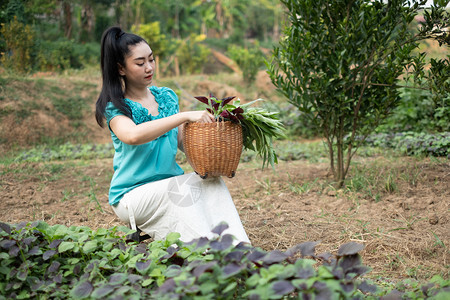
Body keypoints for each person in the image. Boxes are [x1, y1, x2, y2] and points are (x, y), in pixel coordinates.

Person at [95, 26, 250, 245]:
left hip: (170, 185)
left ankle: (238, 248)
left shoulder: (166, 96)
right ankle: (205, 255)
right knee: (182, 191)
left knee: (211, 183)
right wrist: (184, 116)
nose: (149, 67)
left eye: (152, 59)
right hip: (132, 196)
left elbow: (180, 140)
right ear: (121, 68)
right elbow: (132, 136)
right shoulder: (116, 107)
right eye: (140, 63)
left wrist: (212, 152)